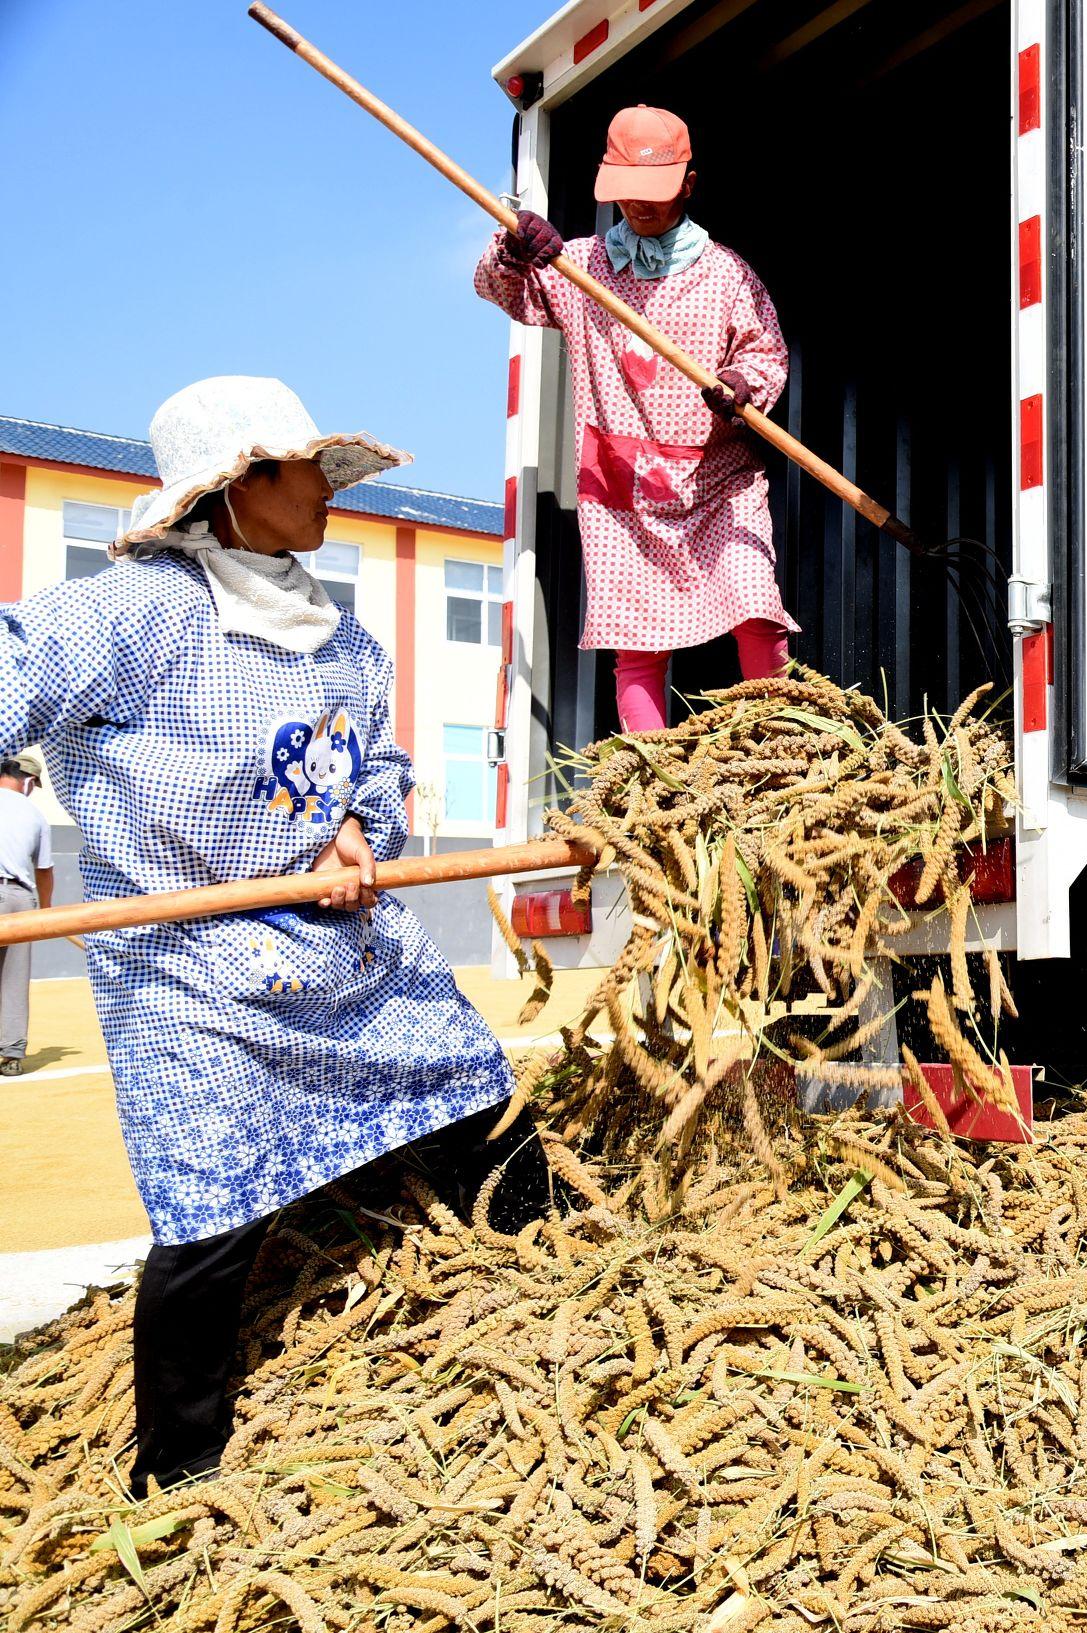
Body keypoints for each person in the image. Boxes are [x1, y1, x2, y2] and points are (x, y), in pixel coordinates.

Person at [0, 376, 535, 1491]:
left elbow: (374, 761)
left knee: (470, 1100)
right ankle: (180, 1469)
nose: (327, 494)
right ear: (239, 485)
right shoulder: (131, 613)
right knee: (212, 1215)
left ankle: (560, 1278)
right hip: (192, 965)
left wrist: (354, 830)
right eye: (308, 471)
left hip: (338, 947)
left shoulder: (336, 630)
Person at [474, 103, 796, 733]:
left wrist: (740, 385)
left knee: (756, 604)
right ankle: (650, 786)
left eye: (657, 193)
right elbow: (500, 290)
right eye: (629, 195)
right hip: (621, 488)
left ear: (690, 185)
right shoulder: (577, 267)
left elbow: (766, 354)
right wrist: (514, 247)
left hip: (716, 482)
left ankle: (780, 756)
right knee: (638, 643)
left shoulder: (727, 274)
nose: (641, 208)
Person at [0, 751, 55, 1076]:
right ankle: (11, 1053)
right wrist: (46, 912)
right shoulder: (35, 815)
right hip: (18, 897)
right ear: (29, 781)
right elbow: (45, 870)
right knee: (13, 978)